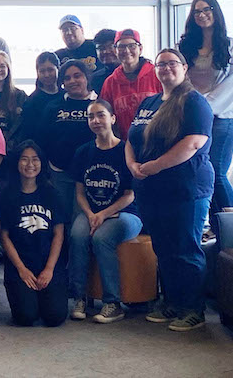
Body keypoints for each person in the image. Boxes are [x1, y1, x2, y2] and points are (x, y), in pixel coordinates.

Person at [126, 48, 214, 332]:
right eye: (160, 64)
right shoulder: (150, 102)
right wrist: (132, 164)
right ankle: (173, 302)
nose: (166, 68)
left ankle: (193, 309)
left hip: (186, 189)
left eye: (172, 63)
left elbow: (193, 143)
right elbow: (131, 137)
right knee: (164, 249)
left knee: (185, 249)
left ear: (184, 67)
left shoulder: (194, 102)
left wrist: (156, 166)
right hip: (151, 190)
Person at [178, 0, 233, 236]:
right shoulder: (186, 48)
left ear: (216, 12)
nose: (202, 14)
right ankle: (206, 226)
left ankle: (229, 230)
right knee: (197, 170)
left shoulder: (231, 47)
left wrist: (202, 106)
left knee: (217, 172)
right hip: (194, 118)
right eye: (197, 11)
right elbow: (180, 80)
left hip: (223, 120)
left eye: (207, 9)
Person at [68, 100, 142, 324]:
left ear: (112, 118)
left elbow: (130, 194)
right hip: (93, 212)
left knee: (102, 238)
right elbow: (79, 192)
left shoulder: (126, 150)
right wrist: (91, 214)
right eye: (91, 117)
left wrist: (103, 214)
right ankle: (80, 298)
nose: (96, 121)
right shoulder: (83, 152)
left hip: (126, 214)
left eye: (101, 115)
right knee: (77, 234)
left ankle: (113, 303)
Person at [0, 140, 67, 327]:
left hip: (48, 263)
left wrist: (49, 269)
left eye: (35, 159)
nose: (30, 165)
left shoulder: (52, 193)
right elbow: (4, 237)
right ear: (17, 163)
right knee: (26, 316)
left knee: (55, 317)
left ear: (42, 162)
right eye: (24, 159)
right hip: (20, 266)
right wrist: (21, 269)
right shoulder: (5, 196)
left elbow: (58, 234)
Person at [38, 59, 97, 227]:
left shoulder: (98, 104)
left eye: (77, 76)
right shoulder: (53, 106)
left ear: (86, 77)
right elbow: (43, 138)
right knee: (61, 220)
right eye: (67, 78)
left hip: (90, 175)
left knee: (82, 223)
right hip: (59, 173)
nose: (72, 81)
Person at [100, 29, 162, 139]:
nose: (127, 50)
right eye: (121, 47)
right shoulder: (110, 83)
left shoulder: (157, 74)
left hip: (158, 142)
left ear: (140, 49)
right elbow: (106, 116)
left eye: (132, 46)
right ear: (115, 50)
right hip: (125, 146)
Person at [18, 51, 62, 143]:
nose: (46, 75)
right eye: (42, 71)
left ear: (58, 69)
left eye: (50, 70)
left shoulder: (67, 96)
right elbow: (28, 134)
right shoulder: (31, 102)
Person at [90, 29, 119, 93]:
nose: (106, 51)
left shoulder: (132, 72)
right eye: (101, 48)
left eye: (110, 47)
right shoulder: (95, 79)